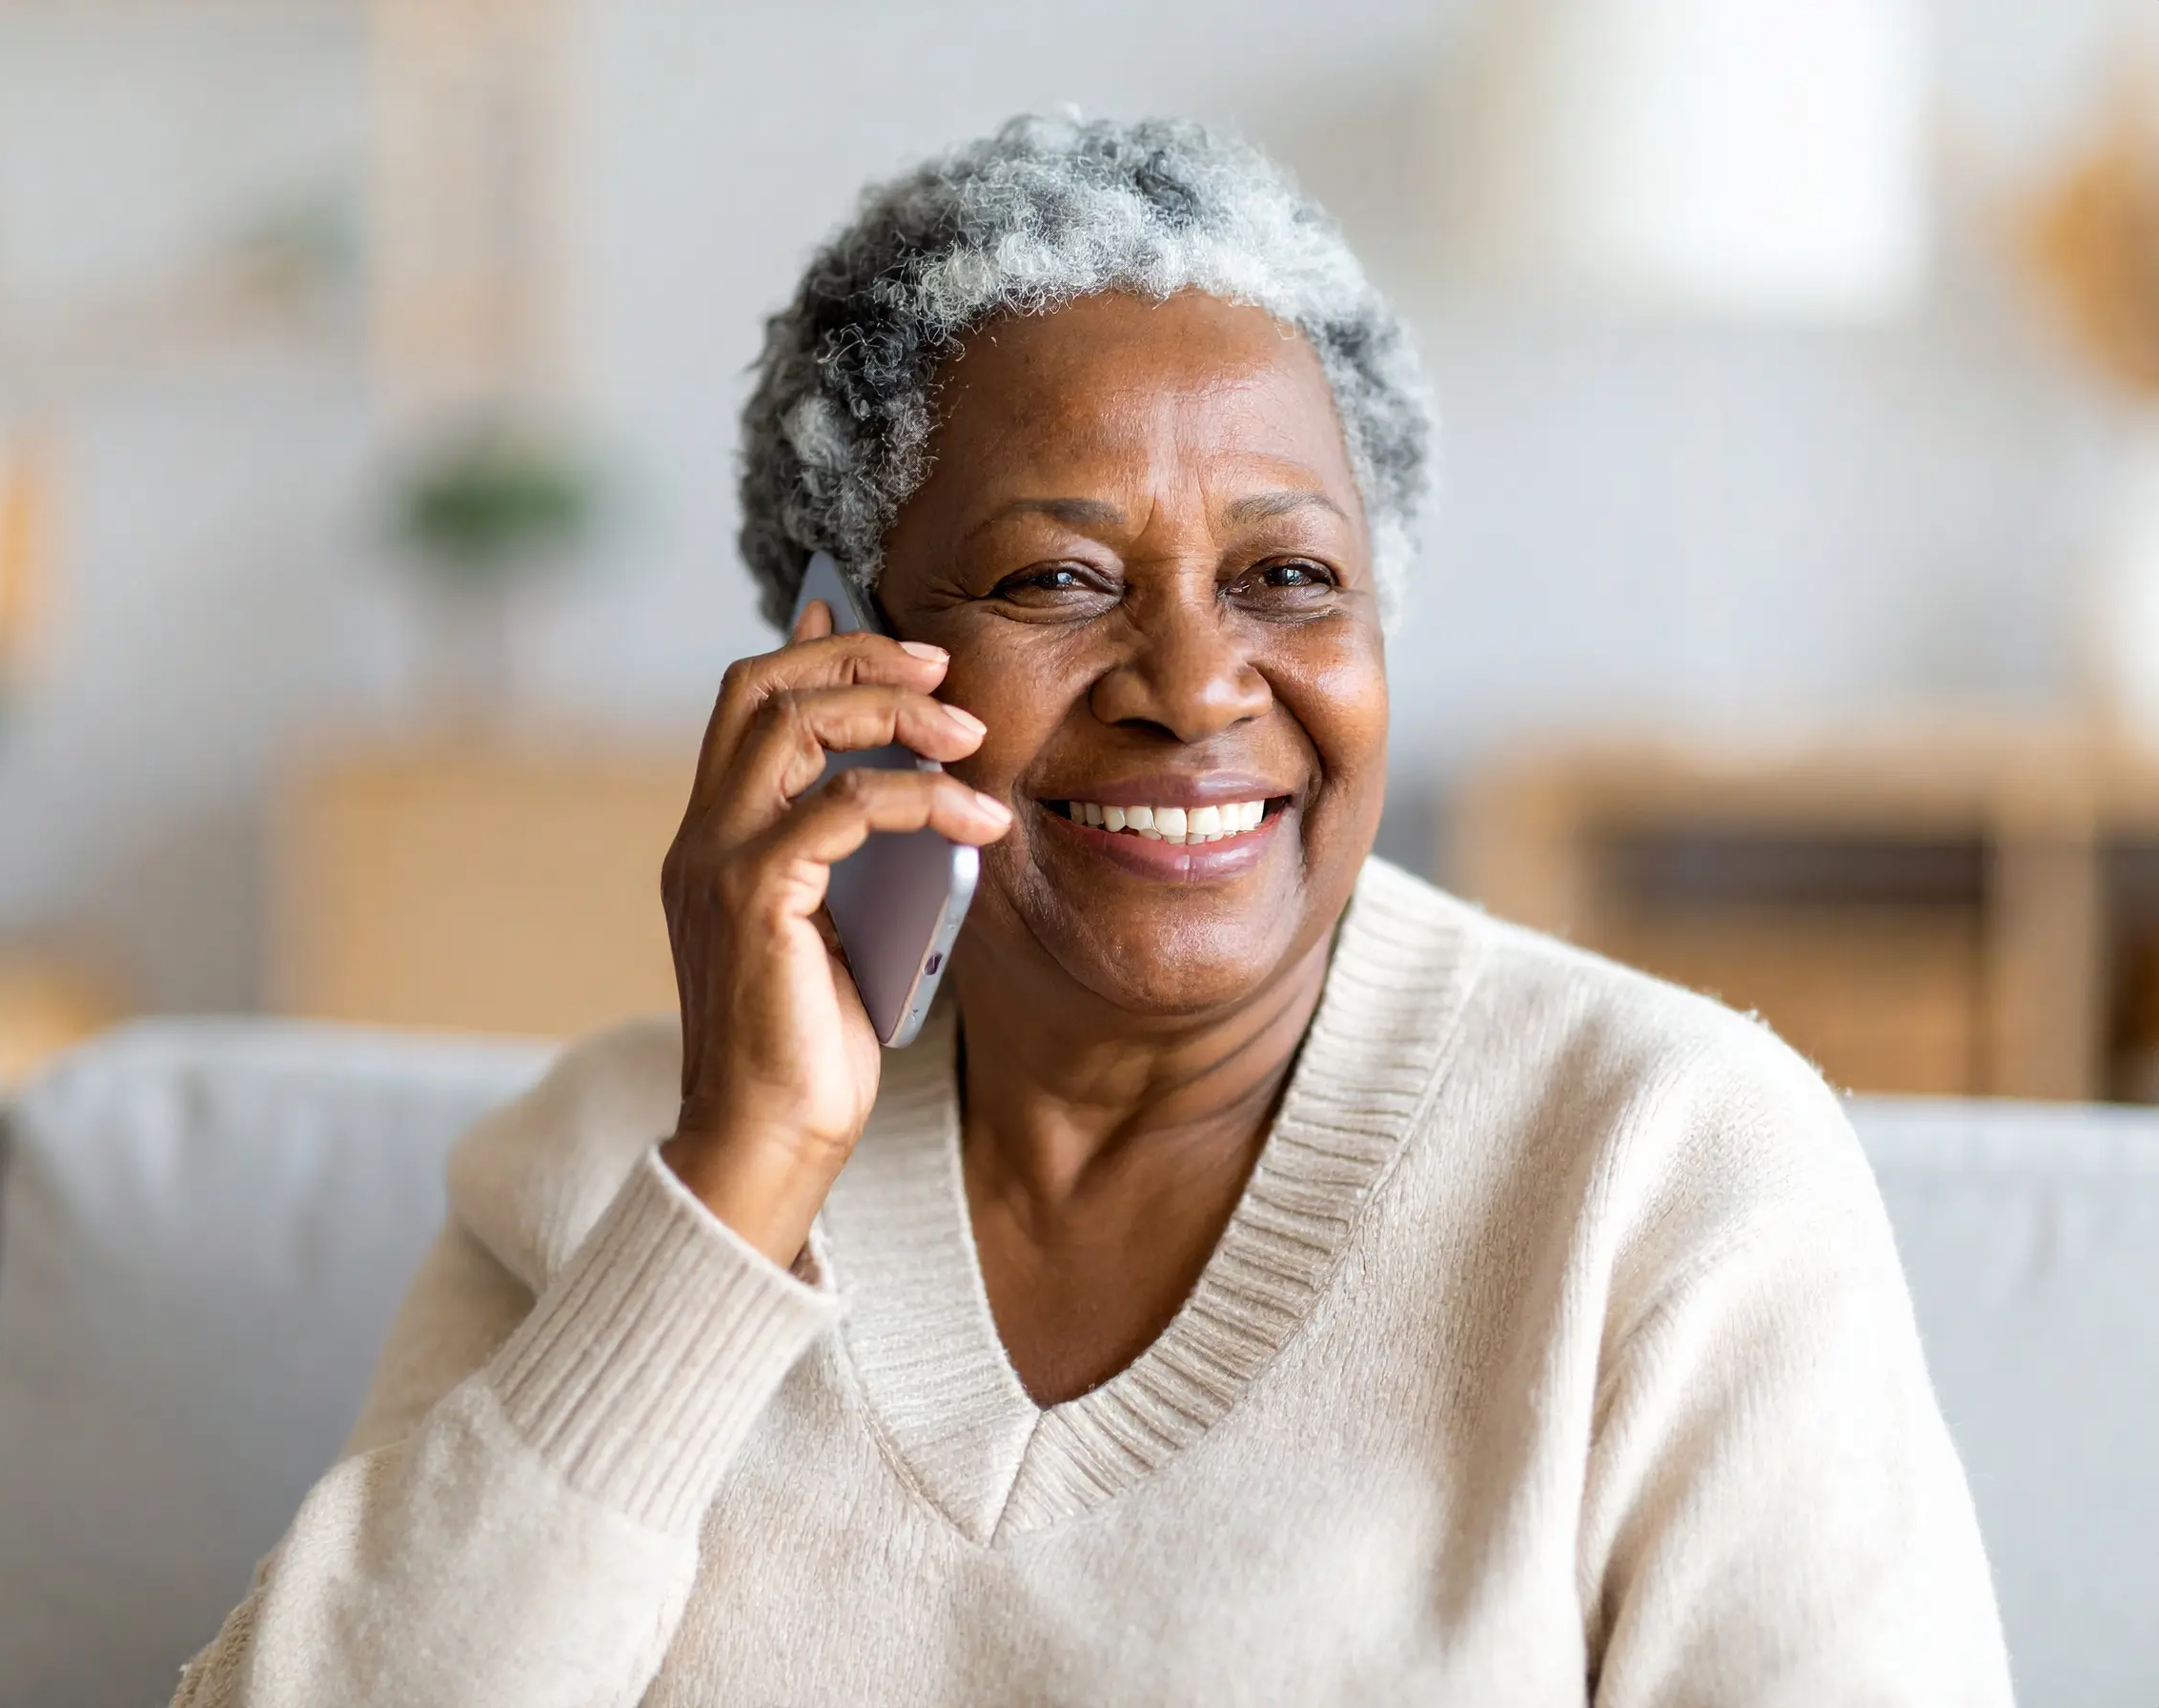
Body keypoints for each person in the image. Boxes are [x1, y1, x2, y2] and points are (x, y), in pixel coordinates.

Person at [175, 115, 2010, 1705]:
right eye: (1056, 578)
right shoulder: (602, 1172)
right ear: (837, 658)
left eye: (1288, 576)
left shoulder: (1667, 1168)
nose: (1197, 685)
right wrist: (742, 1180)